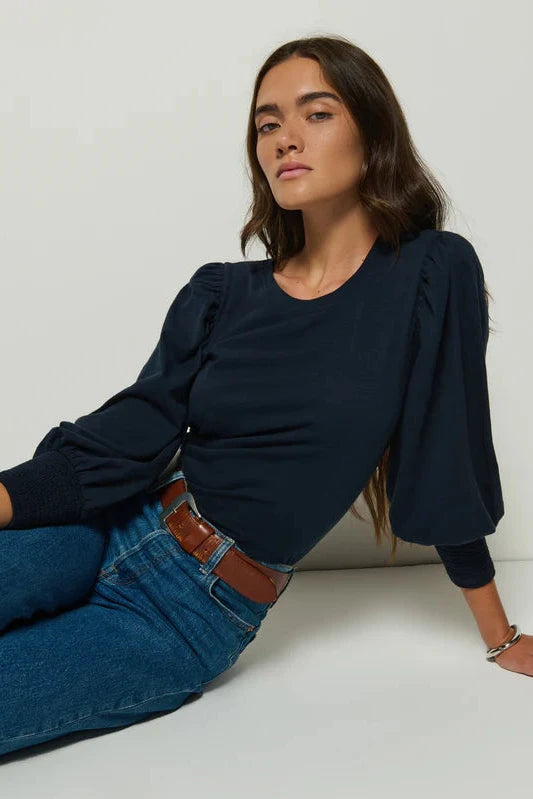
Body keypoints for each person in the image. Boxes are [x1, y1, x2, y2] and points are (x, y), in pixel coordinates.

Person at [0, 34, 527, 759]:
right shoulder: (222, 291)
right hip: (106, 524)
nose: (284, 139)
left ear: (372, 133)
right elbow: (132, 430)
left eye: (315, 113)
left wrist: (499, 636)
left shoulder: (431, 275)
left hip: (187, 610)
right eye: (266, 124)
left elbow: (446, 455)